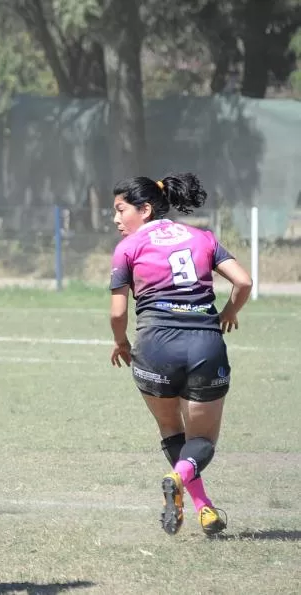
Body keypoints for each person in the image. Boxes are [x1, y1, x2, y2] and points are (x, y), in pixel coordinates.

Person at [108, 173, 252, 536]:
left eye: (120, 210)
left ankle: (202, 506)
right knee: (201, 443)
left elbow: (116, 312)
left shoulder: (129, 247)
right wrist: (229, 312)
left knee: (172, 430)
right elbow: (244, 282)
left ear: (144, 209)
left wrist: (122, 343)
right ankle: (190, 492)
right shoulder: (202, 237)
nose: (115, 219)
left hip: (155, 345)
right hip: (205, 343)